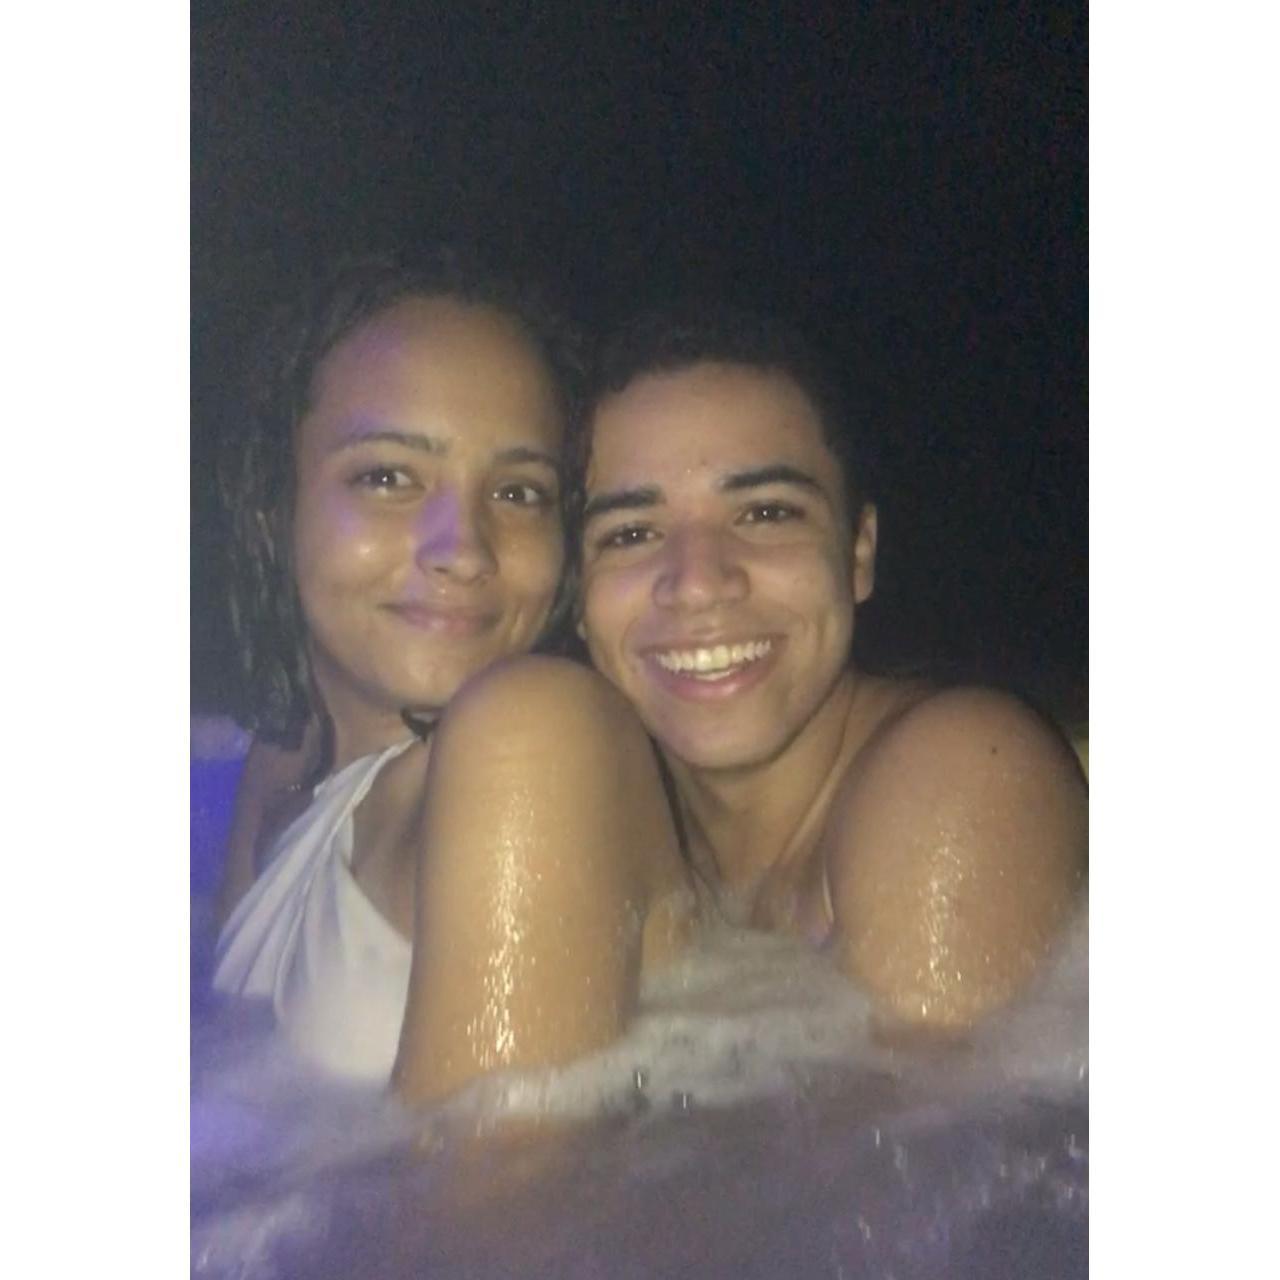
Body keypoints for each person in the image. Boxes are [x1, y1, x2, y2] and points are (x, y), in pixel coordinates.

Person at [212, 253, 693, 1102]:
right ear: (272, 509)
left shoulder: (535, 732)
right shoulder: (285, 753)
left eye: (519, 493)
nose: (463, 549)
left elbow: (507, 1181)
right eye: (388, 477)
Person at [573, 307, 1086, 1036]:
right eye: (630, 533)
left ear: (858, 553)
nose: (698, 583)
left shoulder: (961, 764)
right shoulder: (623, 843)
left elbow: (939, 1110)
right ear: (578, 602)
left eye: (766, 514)